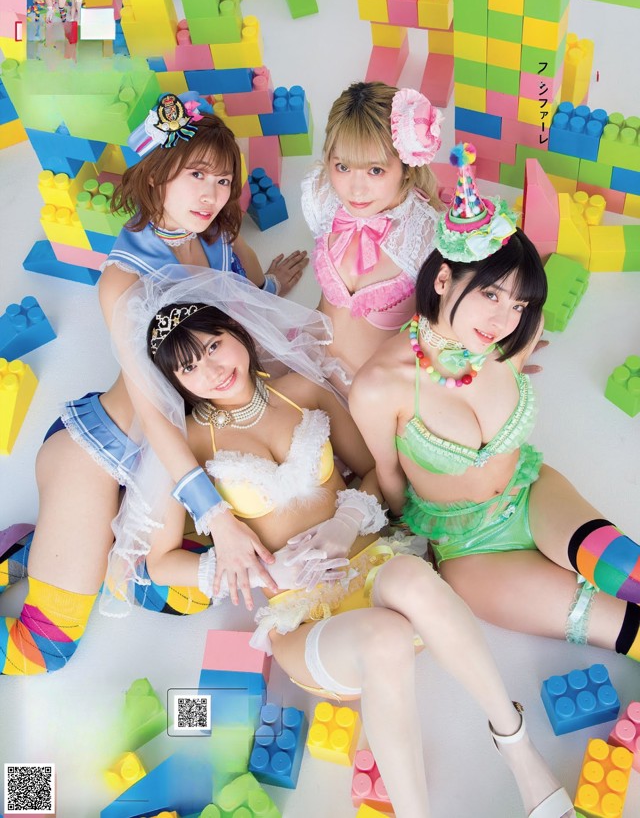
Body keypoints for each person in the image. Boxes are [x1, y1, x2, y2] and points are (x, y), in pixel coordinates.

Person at [103, 267, 574, 818]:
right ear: (175, 384)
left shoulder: (302, 390)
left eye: (212, 345)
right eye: (188, 367)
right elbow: (157, 564)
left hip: (374, 565)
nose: (211, 369)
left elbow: (376, 468)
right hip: (307, 620)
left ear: (236, 330)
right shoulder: (187, 447)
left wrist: (346, 521)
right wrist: (265, 572)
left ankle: (519, 751)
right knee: (383, 639)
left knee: (410, 579)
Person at [0, 95, 307, 675]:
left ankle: (37, 546)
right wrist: (216, 517)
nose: (212, 194)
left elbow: (231, 283)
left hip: (181, 457)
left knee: (191, 593)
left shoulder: (214, 230)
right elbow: (157, 407)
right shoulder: (124, 282)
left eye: (222, 179)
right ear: (156, 170)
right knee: (43, 654)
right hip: (109, 454)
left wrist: (266, 290)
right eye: (196, 175)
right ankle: (51, 543)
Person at [351, 142, 640, 668]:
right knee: (627, 628)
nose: (506, 319)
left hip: (532, 496)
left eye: (519, 303)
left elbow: (518, 336)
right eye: (491, 295)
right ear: (443, 280)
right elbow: (389, 473)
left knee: (630, 572)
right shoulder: (380, 386)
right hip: (474, 555)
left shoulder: (511, 339)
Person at [302, 81, 443, 381]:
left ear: (407, 167)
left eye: (375, 170)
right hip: (309, 358)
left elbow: (451, 317)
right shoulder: (322, 196)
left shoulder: (427, 237)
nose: (355, 189)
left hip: (373, 391)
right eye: (342, 167)